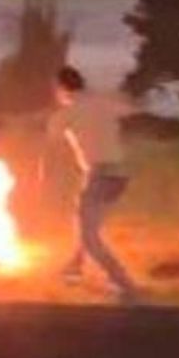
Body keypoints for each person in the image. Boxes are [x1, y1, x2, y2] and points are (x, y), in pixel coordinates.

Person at [46, 64, 139, 302]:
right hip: (119, 174)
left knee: (89, 235)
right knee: (87, 224)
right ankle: (74, 268)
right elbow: (129, 108)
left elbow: (52, 140)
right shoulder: (101, 103)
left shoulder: (67, 113)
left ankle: (125, 284)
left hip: (100, 175)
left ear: (61, 88)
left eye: (55, 89)